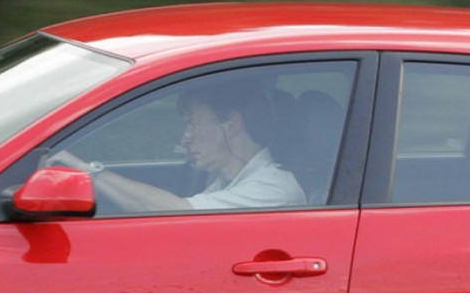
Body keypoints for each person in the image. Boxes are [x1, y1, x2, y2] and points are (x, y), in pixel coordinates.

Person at [47, 78, 305, 213]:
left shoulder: (273, 189)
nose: (184, 138)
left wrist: (88, 171)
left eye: (193, 125)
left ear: (231, 124)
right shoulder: (231, 180)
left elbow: (176, 211)